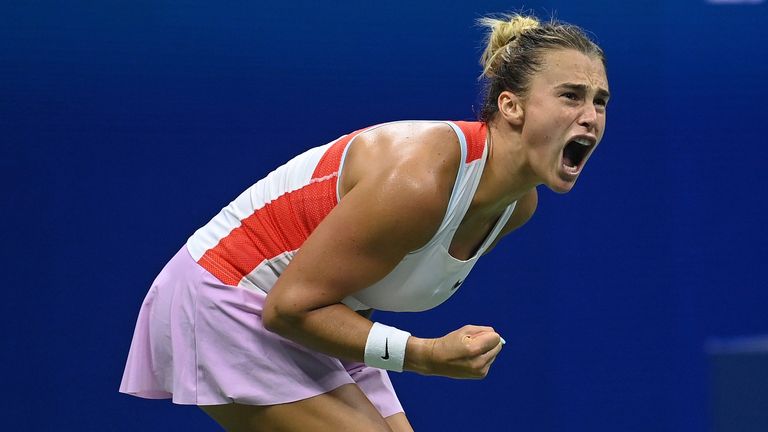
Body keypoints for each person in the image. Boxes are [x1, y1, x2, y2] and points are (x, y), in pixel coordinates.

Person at [120, 12, 609, 432]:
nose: (590, 116)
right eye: (570, 96)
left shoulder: (516, 207)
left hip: (308, 317)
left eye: (600, 101)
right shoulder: (421, 180)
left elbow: (352, 286)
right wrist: (425, 353)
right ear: (511, 105)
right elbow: (289, 308)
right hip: (223, 297)